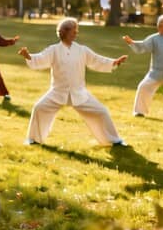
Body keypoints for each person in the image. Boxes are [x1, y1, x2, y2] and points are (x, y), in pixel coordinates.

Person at [18, 18, 128, 146]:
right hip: (57, 92)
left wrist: (114, 62)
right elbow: (41, 58)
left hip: (79, 93)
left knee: (102, 111)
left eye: (76, 31)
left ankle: (115, 140)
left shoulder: (82, 50)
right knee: (39, 107)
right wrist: (29, 56)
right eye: (73, 31)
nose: (76, 33)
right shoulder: (54, 49)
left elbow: (97, 60)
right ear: (64, 32)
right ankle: (34, 139)